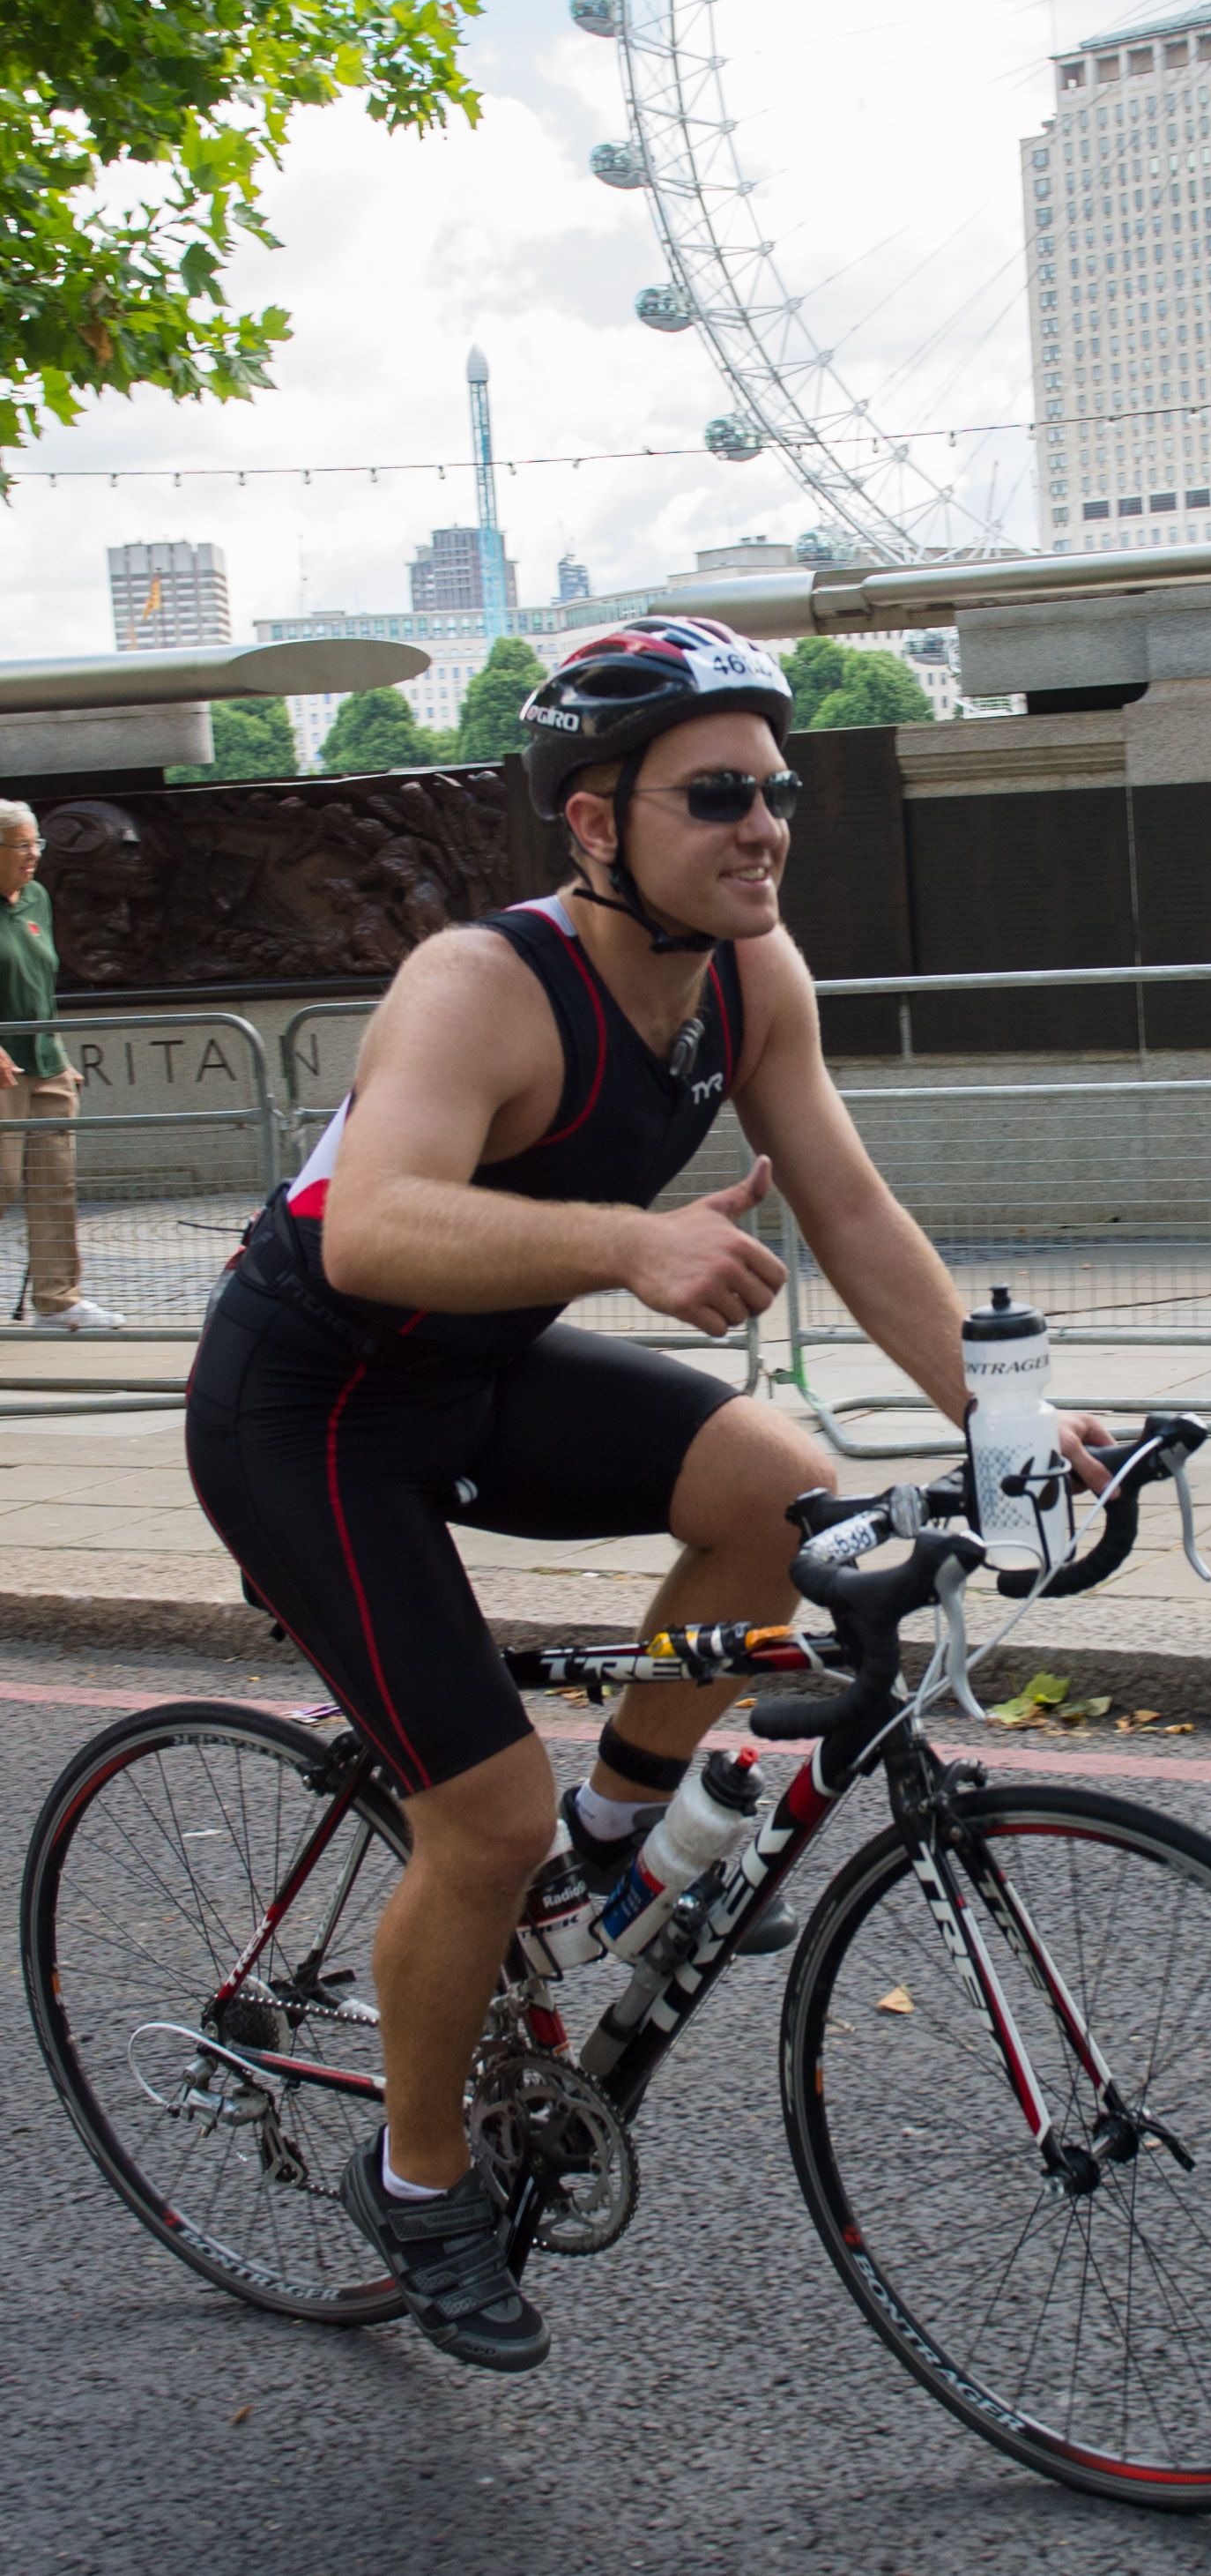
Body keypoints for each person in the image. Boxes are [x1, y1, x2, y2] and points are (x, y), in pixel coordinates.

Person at [184, 615, 1108, 2374]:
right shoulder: (480, 981)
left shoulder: (758, 976)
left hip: (465, 1374)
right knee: (479, 1820)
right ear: (598, 822)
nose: (761, 822)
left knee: (784, 1483)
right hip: (303, 1407)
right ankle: (419, 2166)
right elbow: (373, 1221)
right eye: (714, 794)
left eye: (776, 788)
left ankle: (622, 1826)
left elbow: (845, 1205)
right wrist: (625, 1237)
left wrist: (1017, 1417)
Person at [0, 799, 123, 1335]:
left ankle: (58, 1303)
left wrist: (61, 1055)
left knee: (55, 1184)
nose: (34, 855)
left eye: (36, 845)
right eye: (23, 845)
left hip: (44, 1061)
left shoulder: (37, 900)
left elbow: (42, 984)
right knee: (1, 1183)